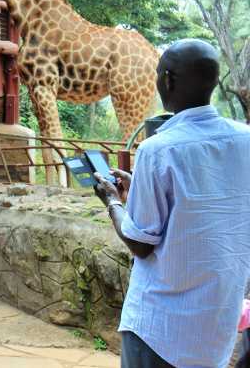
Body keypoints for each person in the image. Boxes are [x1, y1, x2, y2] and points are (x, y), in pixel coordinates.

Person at [93, 39, 250, 368]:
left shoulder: (158, 149)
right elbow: (204, 205)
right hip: (215, 326)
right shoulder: (244, 140)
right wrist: (138, 190)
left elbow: (141, 243)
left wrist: (112, 202)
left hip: (160, 329)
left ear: (167, 80)